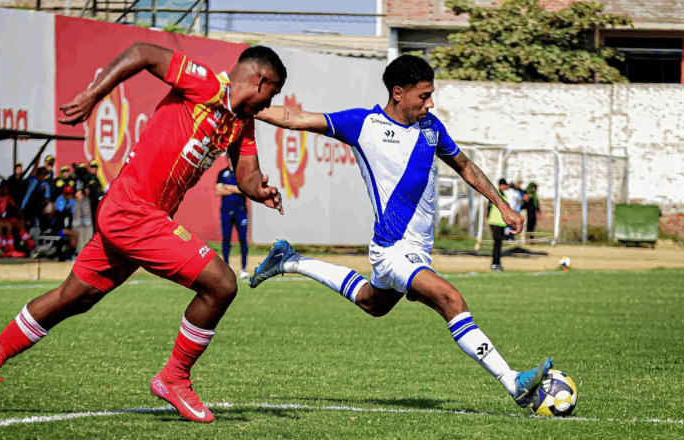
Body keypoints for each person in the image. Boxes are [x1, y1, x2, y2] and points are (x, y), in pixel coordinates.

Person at [0, 42, 286, 424]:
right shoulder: (205, 85)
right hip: (134, 212)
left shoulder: (241, 123)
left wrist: (258, 190)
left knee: (72, 299)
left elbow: (246, 174)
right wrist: (94, 94)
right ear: (260, 80)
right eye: (272, 93)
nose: (268, 105)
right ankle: (174, 377)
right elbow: (145, 52)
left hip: (137, 216)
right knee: (222, 283)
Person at [250, 54, 552, 410]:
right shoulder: (364, 124)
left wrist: (502, 205)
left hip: (416, 251)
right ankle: (512, 380)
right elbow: (294, 117)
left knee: (371, 303)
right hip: (392, 250)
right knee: (451, 300)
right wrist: (243, 106)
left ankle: (291, 261)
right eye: (423, 96)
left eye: (431, 94)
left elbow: (466, 166)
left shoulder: (431, 128)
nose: (430, 102)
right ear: (398, 93)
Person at [215, 159, 250, 280]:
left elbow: (244, 190)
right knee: (226, 240)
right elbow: (218, 190)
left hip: (240, 211)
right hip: (225, 212)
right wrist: (235, 189)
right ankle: (226, 268)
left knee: (243, 239)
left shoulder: (242, 173)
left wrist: (227, 187)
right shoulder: (222, 173)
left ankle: (243, 268)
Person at [488, 179, 509, 271]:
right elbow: (489, 207)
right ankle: (494, 263)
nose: (505, 187)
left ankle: (498, 263)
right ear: (500, 185)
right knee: (497, 243)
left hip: (502, 222)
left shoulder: (504, 196)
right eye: (503, 185)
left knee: (499, 244)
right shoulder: (496, 195)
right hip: (494, 222)